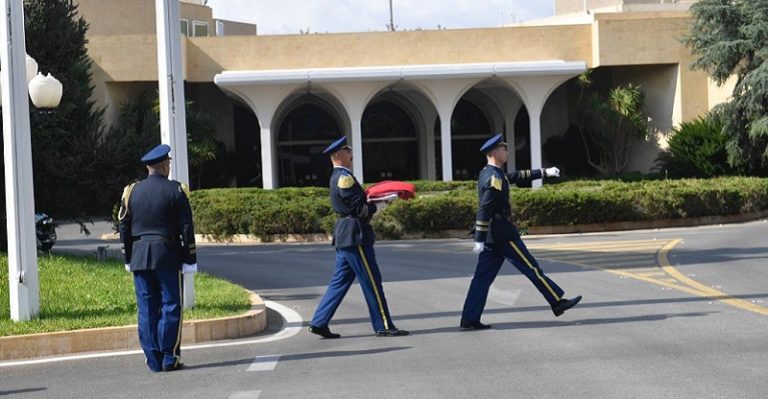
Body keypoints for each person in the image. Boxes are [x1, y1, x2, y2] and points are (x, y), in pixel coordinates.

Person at [460, 134, 582, 330]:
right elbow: (485, 207)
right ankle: (557, 301)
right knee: (531, 268)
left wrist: (544, 172)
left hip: (494, 235)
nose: (507, 151)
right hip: (503, 234)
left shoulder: (491, 173)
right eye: (504, 149)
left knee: (482, 279)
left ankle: (469, 318)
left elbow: (517, 176)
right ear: (494, 152)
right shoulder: (494, 177)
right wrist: (479, 237)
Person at [308, 136, 409, 339]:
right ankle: (384, 325)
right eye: (347, 151)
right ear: (338, 155)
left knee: (339, 282)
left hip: (347, 235)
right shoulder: (344, 178)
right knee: (372, 281)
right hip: (355, 235)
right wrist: (384, 202)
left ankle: (319, 321)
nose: (350, 154)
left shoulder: (341, 176)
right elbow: (360, 209)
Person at [118, 144, 198, 371]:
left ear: (148, 167)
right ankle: (169, 356)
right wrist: (189, 258)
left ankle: (152, 359)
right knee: (171, 304)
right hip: (167, 254)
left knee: (146, 307)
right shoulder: (176, 190)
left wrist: (127, 257)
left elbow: (124, 226)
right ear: (164, 166)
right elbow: (186, 228)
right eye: (168, 164)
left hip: (140, 255)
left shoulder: (131, 191)